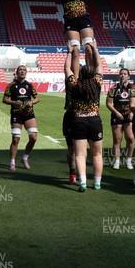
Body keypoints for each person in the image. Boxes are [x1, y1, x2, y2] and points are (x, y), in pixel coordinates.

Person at [64, 42, 103, 192]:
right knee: (97, 153)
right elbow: (99, 65)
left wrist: (69, 52)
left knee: (80, 154)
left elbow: (67, 69)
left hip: (78, 120)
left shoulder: (74, 84)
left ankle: (83, 183)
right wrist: (95, 49)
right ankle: (98, 183)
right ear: (92, 74)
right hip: (94, 120)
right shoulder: (97, 82)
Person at [3, 65, 39, 171]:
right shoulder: (11, 86)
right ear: (17, 72)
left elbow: (37, 98)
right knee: (16, 139)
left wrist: (31, 102)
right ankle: (12, 163)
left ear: (26, 72)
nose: (22, 72)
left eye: (24, 70)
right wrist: (14, 102)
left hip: (28, 114)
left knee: (33, 138)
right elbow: (5, 99)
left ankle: (24, 158)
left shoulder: (29, 85)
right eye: (20, 70)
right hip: (16, 114)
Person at [106, 68, 134, 170]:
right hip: (117, 115)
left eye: (125, 74)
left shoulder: (132, 88)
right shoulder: (114, 88)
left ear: (128, 76)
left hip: (128, 115)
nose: (122, 75)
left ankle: (128, 160)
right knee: (117, 139)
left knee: (130, 139)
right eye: (121, 74)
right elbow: (108, 103)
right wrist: (116, 113)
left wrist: (132, 112)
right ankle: (117, 161)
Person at [62, 44, 80, 184]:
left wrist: (70, 51)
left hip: (82, 117)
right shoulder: (72, 82)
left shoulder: (88, 82)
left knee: (79, 148)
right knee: (72, 148)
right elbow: (67, 69)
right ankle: (73, 173)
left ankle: (80, 173)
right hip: (72, 116)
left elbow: (67, 68)